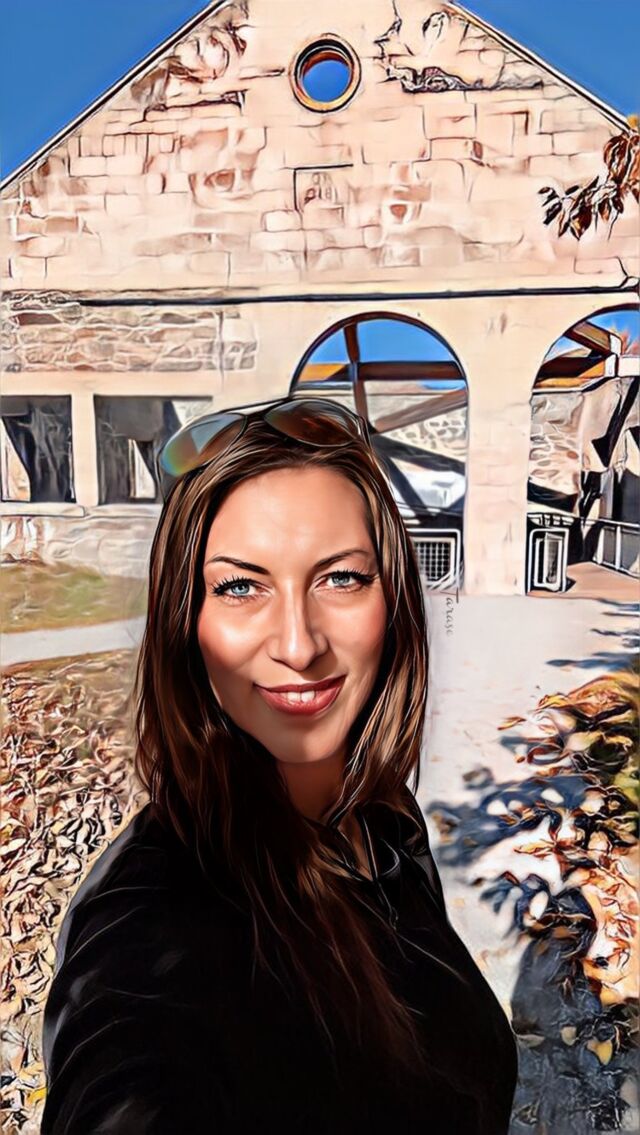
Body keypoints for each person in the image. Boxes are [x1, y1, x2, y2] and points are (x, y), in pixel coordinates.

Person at [40, 398, 518, 1134]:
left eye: (341, 578)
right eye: (241, 586)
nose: (298, 645)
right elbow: (128, 1064)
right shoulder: (151, 916)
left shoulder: (383, 819)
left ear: (393, 599)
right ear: (185, 621)